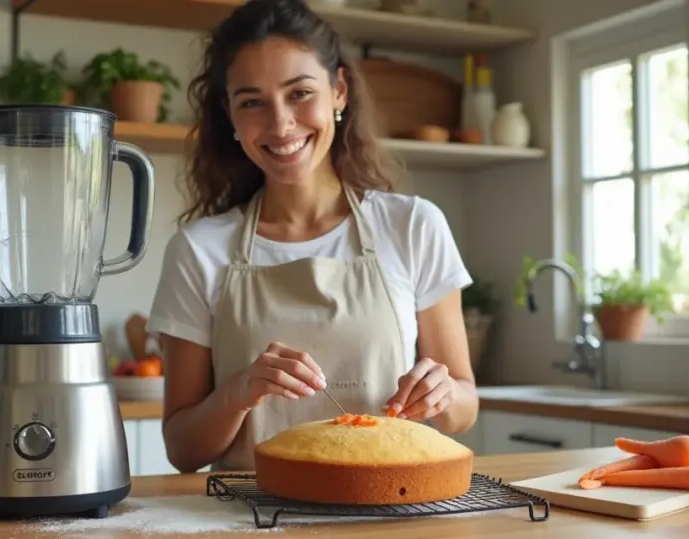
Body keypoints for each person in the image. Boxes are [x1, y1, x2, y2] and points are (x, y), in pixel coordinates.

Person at [146, 0, 478, 474]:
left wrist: (442, 395)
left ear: (338, 91)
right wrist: (239, 393)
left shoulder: (414, 226)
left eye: (299, 93)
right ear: (231, 115)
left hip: (384, 514)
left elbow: (465, 406)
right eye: (252, 102)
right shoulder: (198, 250)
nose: (280, 124)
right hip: (253, 519)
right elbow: (182, 449)